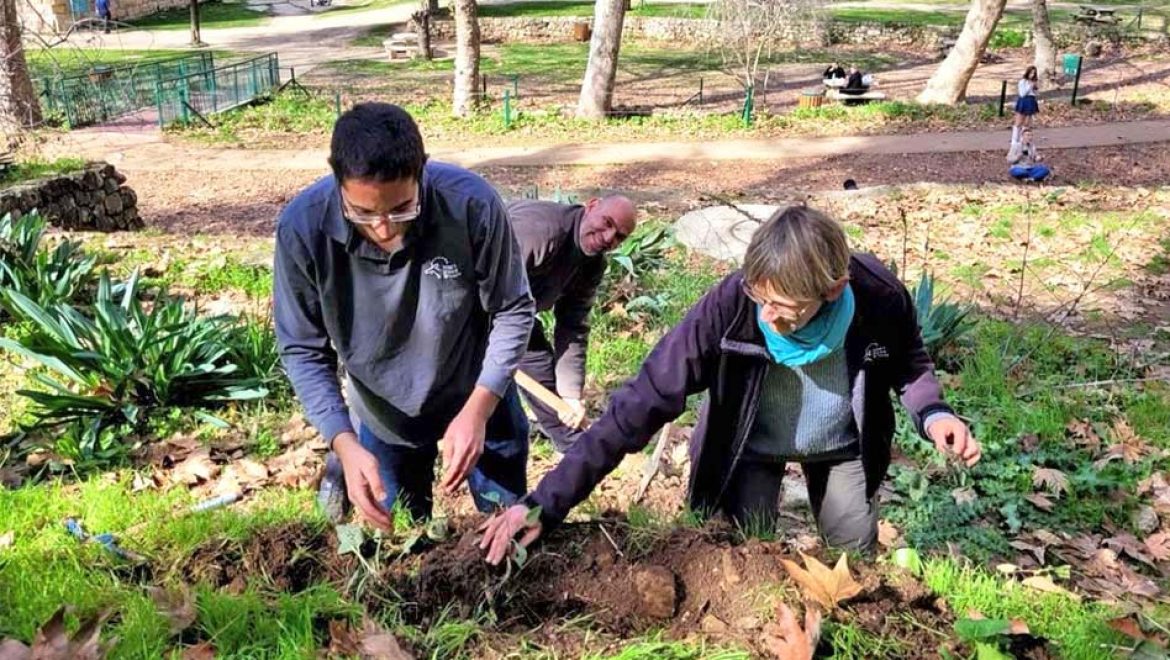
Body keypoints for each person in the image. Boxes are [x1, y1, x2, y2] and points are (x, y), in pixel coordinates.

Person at [480, 206, 980, 564]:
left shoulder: (877, 296)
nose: (766, 315)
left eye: (784, 307)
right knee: (745, 559)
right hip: (747, 447)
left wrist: (933, 412)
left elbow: (908, 362)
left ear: (832, 291)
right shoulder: (731, 306)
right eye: (759, 296)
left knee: (852, 556)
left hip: (841, 446)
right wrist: (546, 503)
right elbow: (639, 405)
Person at [274, 102, 536, 528]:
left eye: (401, 209)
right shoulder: (303, 229)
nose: (384, 228)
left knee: (508, 526)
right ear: (338, 180)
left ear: (422, 172)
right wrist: (344, 442)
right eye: (362, 213)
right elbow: (303, 348)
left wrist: (478, 410)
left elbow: (513, 308)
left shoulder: (471, 205)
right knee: (405, 542)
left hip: (479, 394)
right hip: (382, 413)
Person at [509, 195, 638, 453]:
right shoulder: (540, 232)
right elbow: (481, 281)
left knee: (542, 374)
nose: (607, 237)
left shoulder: (591, 265)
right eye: (606, 223)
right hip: (469, 301)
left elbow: (573, 325)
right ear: (591, 206)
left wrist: (570, 395)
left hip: (515, 314)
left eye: (619, 237)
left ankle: (577, 454)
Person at [1012, 66, 1040, 145]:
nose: (1032, 75)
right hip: (1024, 101)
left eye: (1034, 73)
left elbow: (1036, 94)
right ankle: (1014, 140)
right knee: (1019, 122)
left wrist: (1035, 88)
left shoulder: (1034, 81)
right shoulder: (1023, 82)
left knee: (1027, 123)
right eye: (1031, 73)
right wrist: (1030, 86)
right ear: (1027, 72)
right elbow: (1022, 93)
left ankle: (1023, 139)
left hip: (1031, 101)